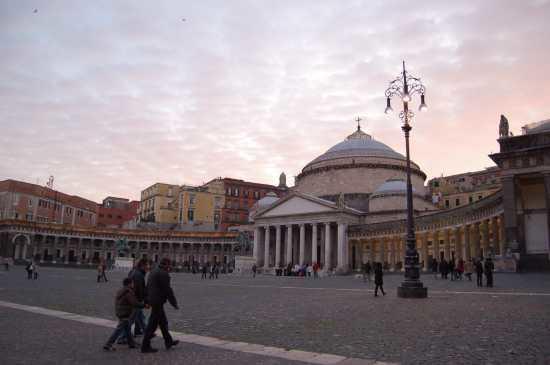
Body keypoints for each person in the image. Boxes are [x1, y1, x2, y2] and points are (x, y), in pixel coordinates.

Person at [141, 258, 179, 353]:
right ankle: (145, 346)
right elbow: (167, 290)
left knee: (163, 322)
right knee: (152, 324)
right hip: (157, 301)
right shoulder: (163, 274)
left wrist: (147, 299)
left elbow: (147, 286)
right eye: (170, 265)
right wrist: (174, 303)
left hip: (154, 300)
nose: (170, 267)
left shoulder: (154, 271)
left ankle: (168, 341)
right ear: (166, 264)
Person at [103, 277, 144, 351]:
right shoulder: (128, 292)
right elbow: (134, 303)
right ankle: (108, 344)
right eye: (132, 283)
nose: (133, 284)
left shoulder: (121, 290)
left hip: (120, 311)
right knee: (119, 330)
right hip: (124, 313)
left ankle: (131, 344)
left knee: (127, 328)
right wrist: (143, 305)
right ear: (129, 284)